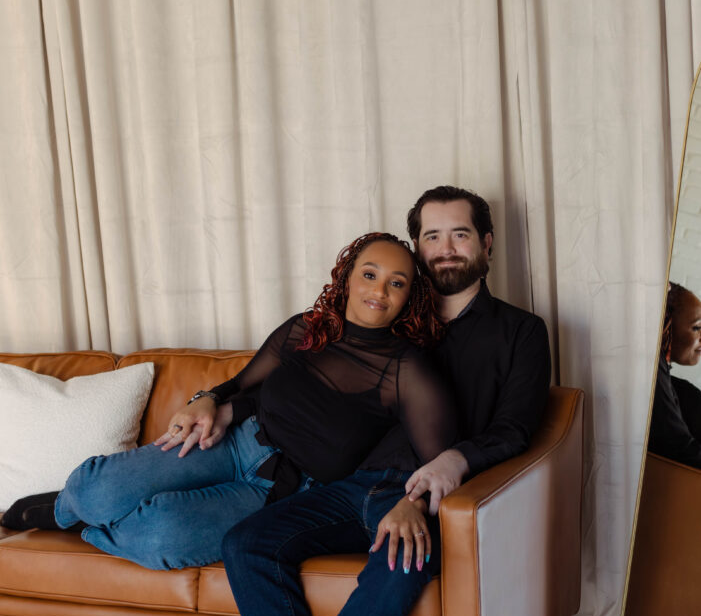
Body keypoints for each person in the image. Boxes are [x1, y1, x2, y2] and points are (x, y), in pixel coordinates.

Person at [222, 186, 552, 616]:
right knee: (246, 544)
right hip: (352, 486)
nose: (445, 249)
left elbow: (516, 431)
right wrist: (219, 399)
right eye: (431, 236)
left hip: (428, 492)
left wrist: (433, 479)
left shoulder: (520, 331)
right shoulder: (390, 316)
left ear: (486, 245)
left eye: (460, 234)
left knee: (403, 560)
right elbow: (298, 381)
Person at [2, 233, 456, 573]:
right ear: (349, 276)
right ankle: (63, 509)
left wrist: (409, 502)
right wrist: (207, 399)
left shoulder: (408, 372)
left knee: (161, 532)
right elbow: (240, 384)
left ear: (409, 298)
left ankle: (85, 527)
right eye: (370, 274)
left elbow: (433, 459)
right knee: (94, 489)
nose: (378, 291)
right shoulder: (305, 329)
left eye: (396, 283)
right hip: (236, 442)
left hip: (285, 493)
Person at [648, 281, 701, 467]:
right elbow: (677, 445)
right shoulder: (652, 368)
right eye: (696, 328)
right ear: (668, 325)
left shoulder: (676, 385)